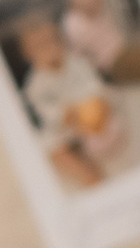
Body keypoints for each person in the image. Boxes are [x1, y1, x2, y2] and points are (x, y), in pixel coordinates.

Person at [12, 11, 127, 189]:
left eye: (52, 41)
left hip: (87, 114)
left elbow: (93, 83)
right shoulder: (36, 84)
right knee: (52, 149)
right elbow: (45, 110)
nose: (49, 48)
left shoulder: (76, 62)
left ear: (61, 41)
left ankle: (95, 155)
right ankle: (86, 174)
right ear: (29, 53)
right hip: (62, 127)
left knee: (107, 109)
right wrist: (65, 113)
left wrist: (95, 100)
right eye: (40, 46)